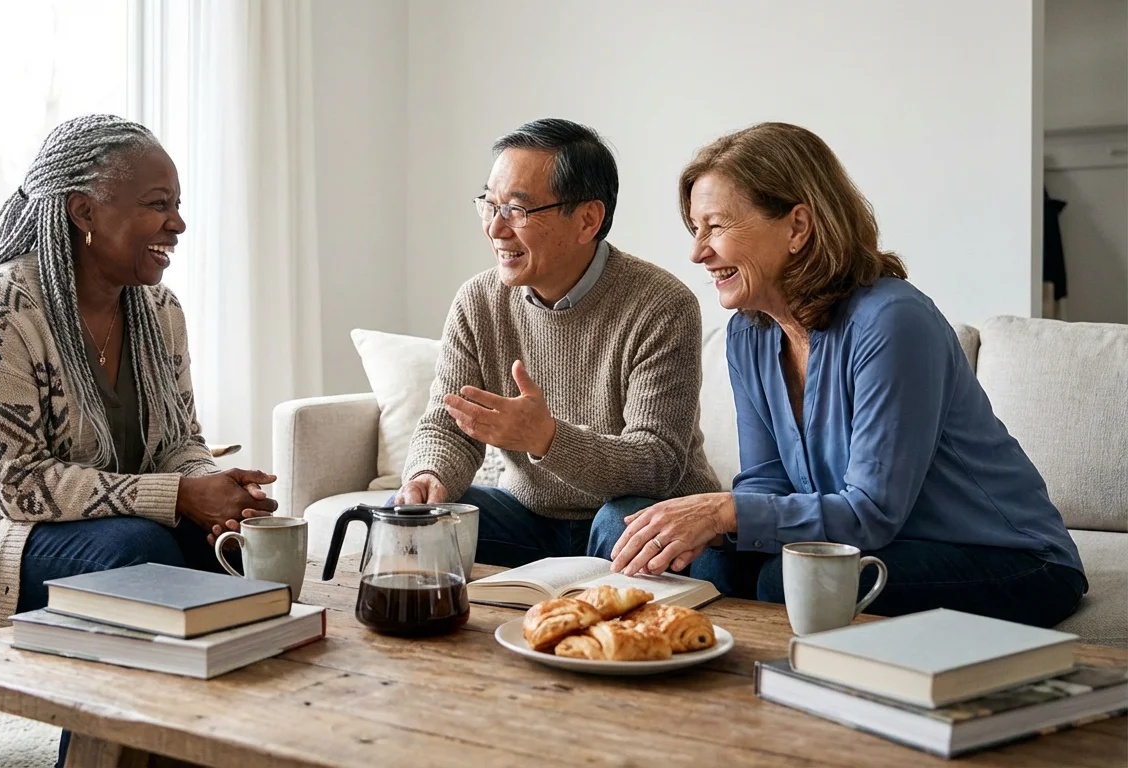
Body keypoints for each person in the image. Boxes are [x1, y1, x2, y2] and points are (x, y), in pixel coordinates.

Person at [0, 115, 277, 761]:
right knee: (137, 559)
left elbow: (180, 440)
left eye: (178, 207)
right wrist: (178, 497)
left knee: (239, 558)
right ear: (84, 210)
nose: (178, 224)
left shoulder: (159, 311)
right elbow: (16, 487)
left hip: (89, 517)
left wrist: (214, 491)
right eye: (158, 206)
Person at [599, 122, 1086, 628]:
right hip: (865, 544)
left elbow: (869, 513)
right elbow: (768, 480)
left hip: (1008, 559)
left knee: (785, 581)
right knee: (628, 524)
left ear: (797, 227)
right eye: (694, 230)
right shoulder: (750, 333)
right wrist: (699, 526)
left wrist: (723, 514)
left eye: (715, 227)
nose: (698, 252)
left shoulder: (894, 321)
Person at [395, 118, 720, 568]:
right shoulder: (478, 301)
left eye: (518, 211)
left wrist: (545, 437)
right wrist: (426, 478)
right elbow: (449, 424)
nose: (495, 229)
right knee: (427, 519)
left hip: (638, 514)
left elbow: (656, 463)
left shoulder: (661, 304)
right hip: (529, 517)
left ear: (588, 219)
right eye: (490, 205)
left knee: (617, 522)